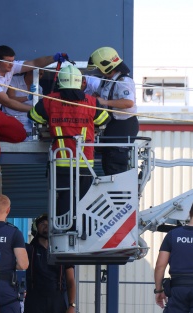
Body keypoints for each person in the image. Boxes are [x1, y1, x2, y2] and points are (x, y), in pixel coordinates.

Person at [0, 45, 69, 207]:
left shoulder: (10, 68)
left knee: (19, 134)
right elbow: (7, 102)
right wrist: (38, 110)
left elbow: (34, 62)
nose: (11, 65)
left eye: (13, 61)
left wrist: (53, 58)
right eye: (8, 62)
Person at [28, 64, 110, 220]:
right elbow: (105, 119)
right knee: (83, 201)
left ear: (60, 81)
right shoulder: (92, 102)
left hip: (60, 162)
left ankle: (63, 227)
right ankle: (79, 230)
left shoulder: (49, 100)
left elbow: (33, 116)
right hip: (84, 162)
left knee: (63, 200)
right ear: (80, 82)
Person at [21, 214, 77, 313]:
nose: (45, 226)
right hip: (34, 301)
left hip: (57, 301)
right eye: (42, 223)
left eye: (48, 223)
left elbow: (71, 281)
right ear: (36, 228)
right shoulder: (28, 250)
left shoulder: (62, 251)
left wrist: (71, 305)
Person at [87, 47, 139, 176]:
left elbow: (128, 102)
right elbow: (97, 95)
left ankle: (119, 193)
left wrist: (104, 102)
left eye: (99, 67)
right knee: (108, 159)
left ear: (106, 66)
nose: (98, 70)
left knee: (115, 162)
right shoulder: (106, 81)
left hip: (124, 125)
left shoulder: (124, 81)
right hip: (112, 124)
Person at [3, 69, 43, 137]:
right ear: (28, 71)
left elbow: (40, 106)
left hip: (29, 122)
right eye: (35, 73)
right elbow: (9, 99)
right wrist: (27, 97)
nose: (38, 76)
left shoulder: (39, 88)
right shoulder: (14, 80)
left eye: (41, 74)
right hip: (12, 120)